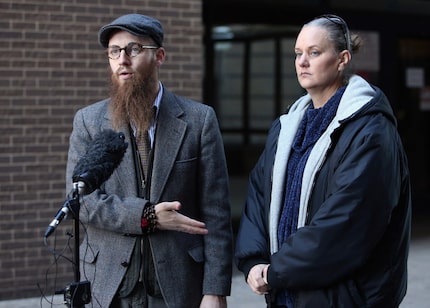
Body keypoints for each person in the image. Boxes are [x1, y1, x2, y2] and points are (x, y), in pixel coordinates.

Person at [234, 14, 411, 308]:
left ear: (342, 59)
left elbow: (346, 221)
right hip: (286, 294)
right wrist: (253, 261)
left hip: (344, 298)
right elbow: (258, 196)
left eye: (314, 53)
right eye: (298, 53)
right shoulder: (287, 127)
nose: (302, 62)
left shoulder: (370, 130)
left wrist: (277, 270)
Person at [65, 13, 233, 308]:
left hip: (178, 284)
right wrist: (147, 216)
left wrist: (215, 289)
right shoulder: (89, 121)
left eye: (133, 49)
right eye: (114, 52)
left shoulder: (199, 120)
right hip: (108, 286)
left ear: (160, 56)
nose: (122, 60)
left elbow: (216, 212)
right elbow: (82, 201)